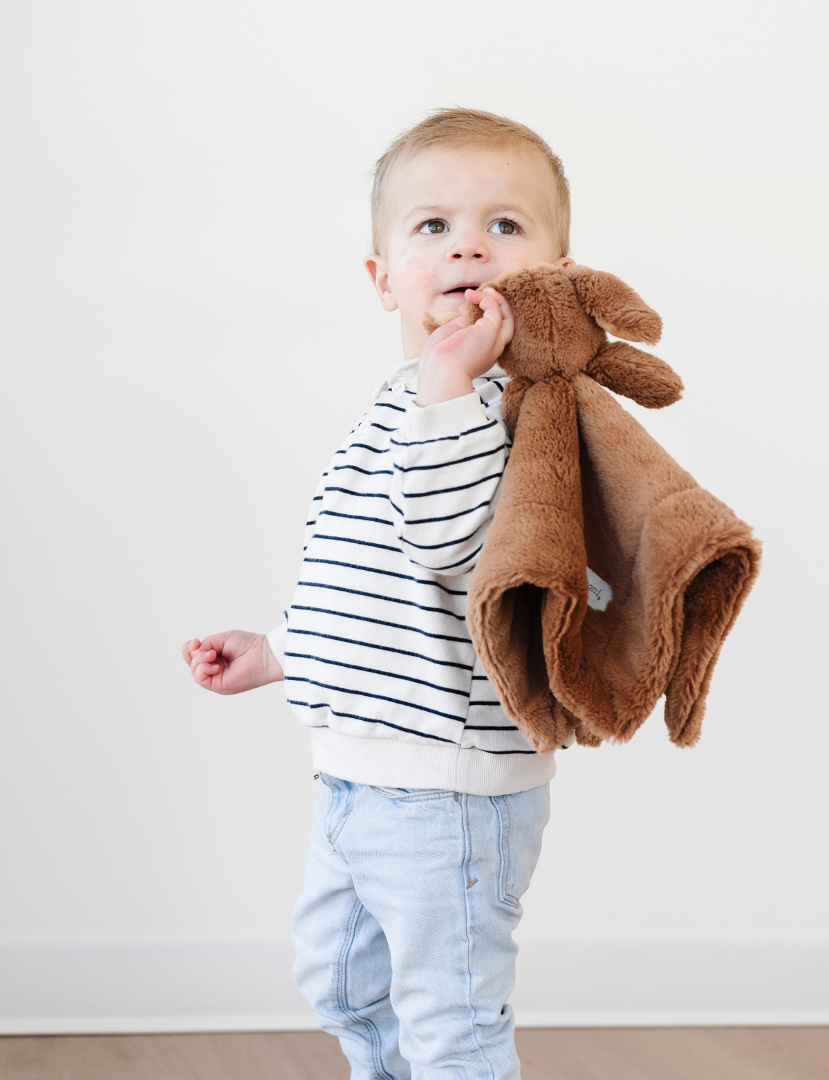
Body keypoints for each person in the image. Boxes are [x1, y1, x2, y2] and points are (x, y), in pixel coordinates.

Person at [181, 108, 575, 1079]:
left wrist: (450, 382)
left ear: (554, 273)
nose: (470, 244)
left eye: (506, 226)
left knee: (452, 1014)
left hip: (449, 788)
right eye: (433, 226)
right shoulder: (407, 403)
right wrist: (279, 652)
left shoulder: (508, 407)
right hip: (358, 772)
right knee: (341, 979)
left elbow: (450, 549)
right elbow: (369, 579)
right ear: (382, 275)